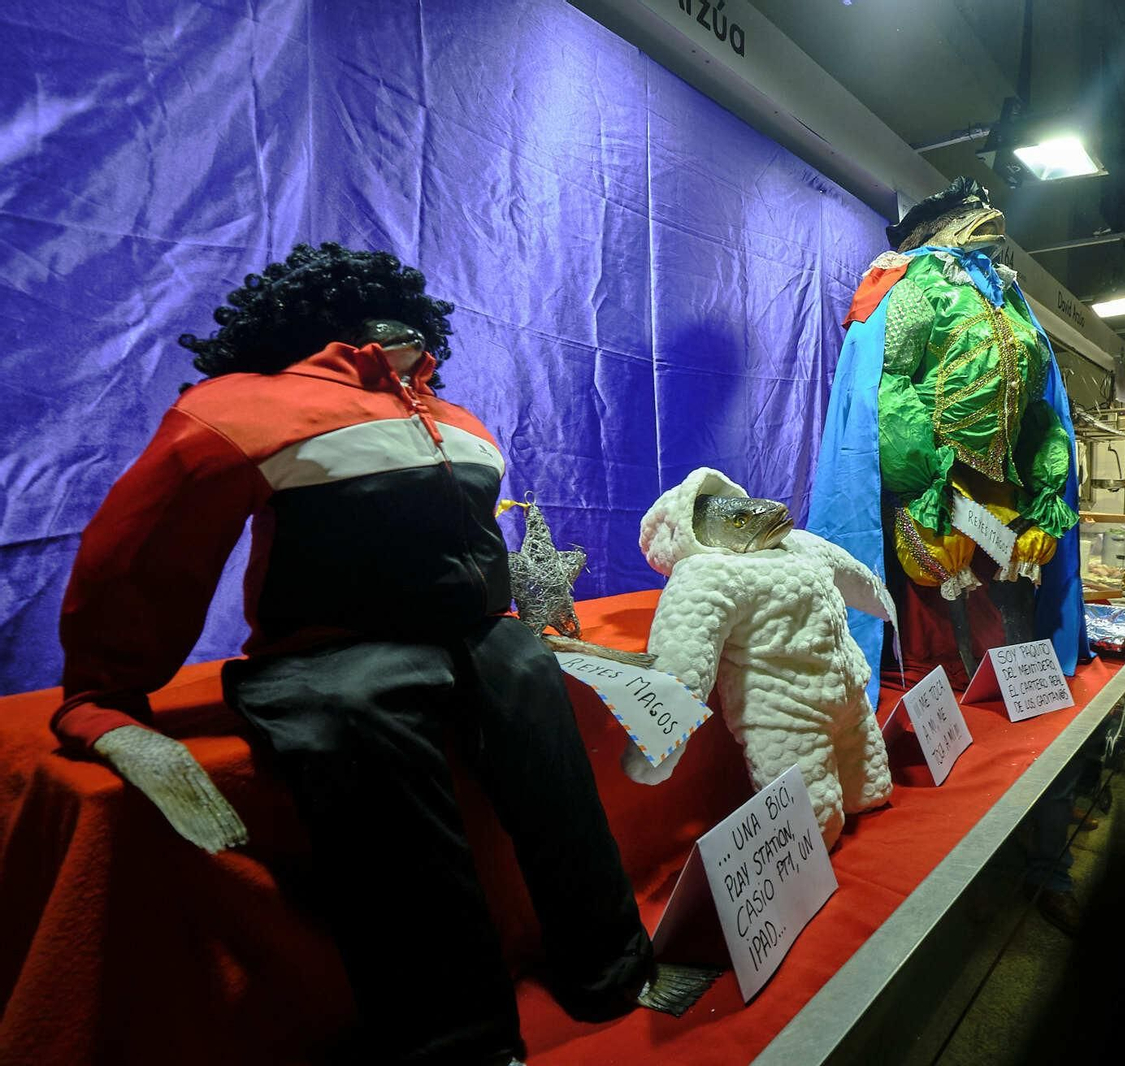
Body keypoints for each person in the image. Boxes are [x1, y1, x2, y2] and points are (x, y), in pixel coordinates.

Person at [51, 244, 707, 1066]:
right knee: (396, 838)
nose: (393, 324)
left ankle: (613, 966)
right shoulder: (242, 408)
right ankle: (456, 1042)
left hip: (482, 638)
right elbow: (142, 555)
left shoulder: (458, 421)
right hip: (334, 652)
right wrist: (102, 695)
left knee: (559, 784)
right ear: (312, 321)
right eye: (366, 313)